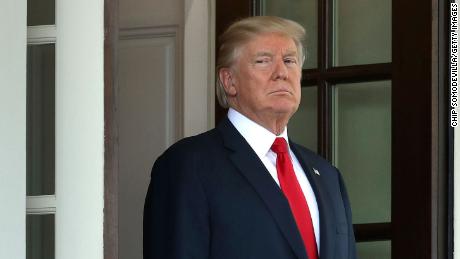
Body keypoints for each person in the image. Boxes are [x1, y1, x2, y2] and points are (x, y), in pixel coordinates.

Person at [143, 16, 356, 259]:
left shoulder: (329, 177)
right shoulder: (188, 166)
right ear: (229, 81)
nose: (281, 72)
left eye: (289, 61)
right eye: (263, 61)